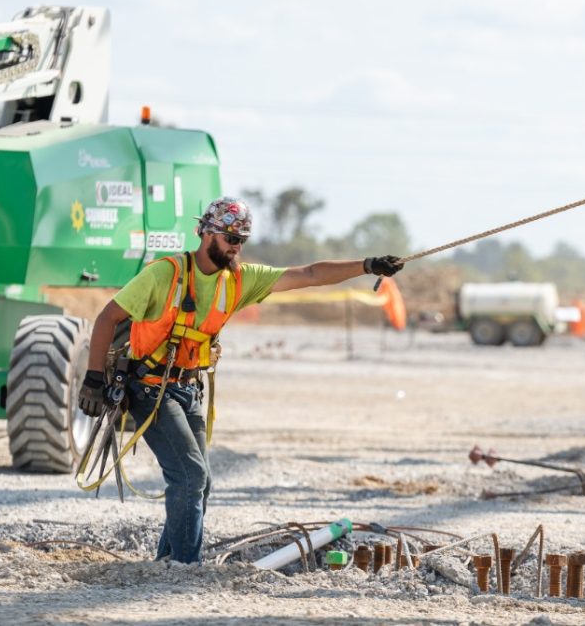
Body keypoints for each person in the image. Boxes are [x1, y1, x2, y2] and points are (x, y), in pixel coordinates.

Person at [75, 196, 404, 564]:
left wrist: (367, 264)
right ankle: (185, 568)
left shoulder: (239, 280)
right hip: (149, 386)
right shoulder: (164, 275)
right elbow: (107, 317)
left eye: (241, 239)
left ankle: (169, 562)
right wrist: (92, 379)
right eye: (229, 237)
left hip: (188, 388)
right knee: (190, 476)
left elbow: (308, 274)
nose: (235, 246)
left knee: (199, 483)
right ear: (205, 233)